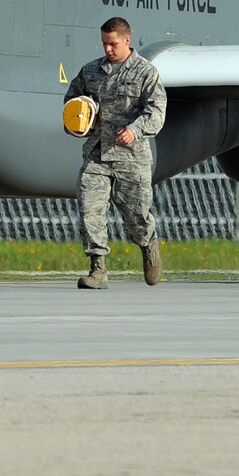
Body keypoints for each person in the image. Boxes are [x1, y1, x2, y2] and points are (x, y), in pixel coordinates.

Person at [63, 16, 167, 290]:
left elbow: (156, 112)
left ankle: (148, 244)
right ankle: (97, 269)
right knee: (90, 210)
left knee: (136, 215)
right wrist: (78, 125)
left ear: (127, 40)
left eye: (113, 44)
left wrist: (135, 130)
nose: (108, 49)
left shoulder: (146, 73)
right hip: (97, 155)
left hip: (131, 158)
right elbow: (72, 101)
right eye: (104, 44)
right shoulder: (91, 71)